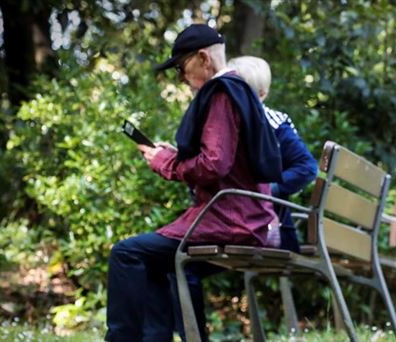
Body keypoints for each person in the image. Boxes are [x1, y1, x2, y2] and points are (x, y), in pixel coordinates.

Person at [105, 24, 282, 342]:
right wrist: (174, 157)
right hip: (249, 216)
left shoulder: (221, 94)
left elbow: (214, 164)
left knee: (126, 253)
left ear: (203, 59)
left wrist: (165, 162)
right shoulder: (241, 90)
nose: (181, 79)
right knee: (154, 259)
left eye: (181, 68)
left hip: (231, 220)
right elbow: (227, 159)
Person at [227, 56, 318, 252]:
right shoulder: (226, 124)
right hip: (239, 222)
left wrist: (267, 190)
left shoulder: (275, 124)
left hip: (270, 229)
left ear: (262, 95)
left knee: (183, 260)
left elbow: (307, 167)